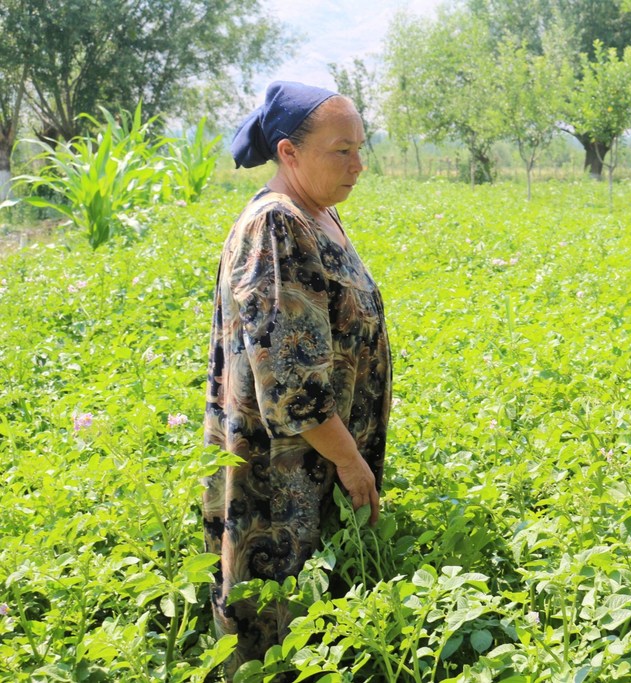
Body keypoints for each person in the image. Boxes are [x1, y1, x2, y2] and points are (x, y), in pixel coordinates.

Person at [203, 81, 391, 676]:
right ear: (289, 153)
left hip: (318, 467)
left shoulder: (320, 213)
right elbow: (289, 382)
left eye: (361, 148)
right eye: (341, 150)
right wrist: (349, 460)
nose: (358, 165)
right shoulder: (277, 226)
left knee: (317, 631)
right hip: (282, 480)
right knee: (279, 633)